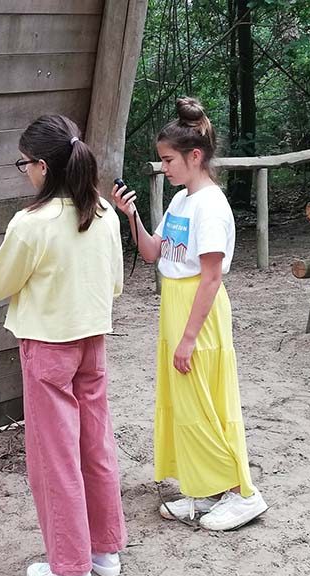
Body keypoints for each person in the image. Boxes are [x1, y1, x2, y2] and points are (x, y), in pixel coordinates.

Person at [0, 115, 127, 576]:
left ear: (43, 166)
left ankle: (70, 568)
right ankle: (104, 549)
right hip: (93, 341)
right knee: (95, 444)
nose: (22, 170)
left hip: (47, 347)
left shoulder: (31, 224)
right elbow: (116, 285)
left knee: (56, 457)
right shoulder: (105, 213)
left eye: (24, 163)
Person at [112, 98, 268, 531]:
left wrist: (188, 337)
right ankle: (203, 491)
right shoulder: (182, 201)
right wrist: (132, 215)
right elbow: (150, 253)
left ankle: (243, 493)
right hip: (175, 304)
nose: (164, 168)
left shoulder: (211, 206)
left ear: (194, 156)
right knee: (184, 402)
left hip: (199, 310)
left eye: (168, 160)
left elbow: (212, 277)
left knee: (207, 400)